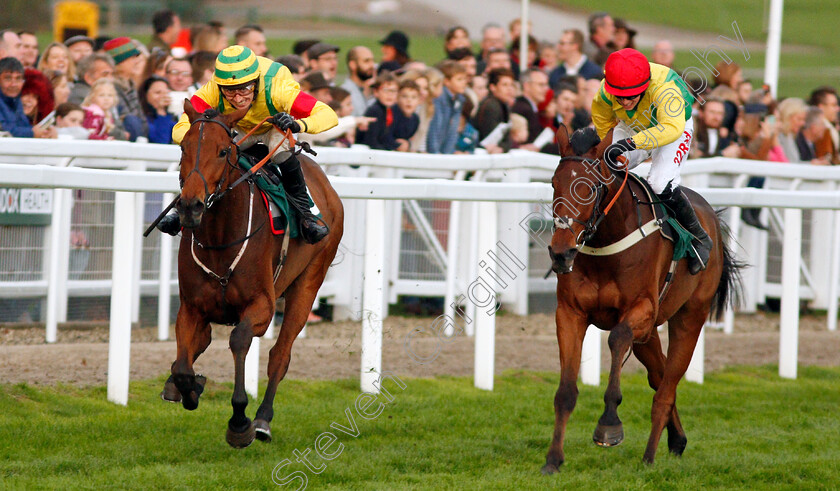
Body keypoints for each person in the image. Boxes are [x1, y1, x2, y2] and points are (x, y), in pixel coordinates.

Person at [163, 45, 338, 243]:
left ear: (256, 81)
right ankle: (183, 207)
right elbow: (180, 128)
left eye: (244, 89)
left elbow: (329, 115)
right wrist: (199, 140)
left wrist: (298, 125)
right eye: (229, 92)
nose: (238, 98)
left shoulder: (277, 88)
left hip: (273, 126)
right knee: (204, 152)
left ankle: (306, 215)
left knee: (280, 154)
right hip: (240, 128)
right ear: (220, 86)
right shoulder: (213, 88)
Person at [591, 48, 711, 274]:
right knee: (605, 166)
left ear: (644, 87)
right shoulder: (605, 93)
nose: (624, 101)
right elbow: (602, 122)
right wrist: (610, 147)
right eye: (620, 96)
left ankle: (699, 237)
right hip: (635, 125)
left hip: (674, 127)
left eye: (631, 95)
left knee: (659, 183)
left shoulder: (666, 90)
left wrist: (629, 144)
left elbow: (670, 129)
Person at [0, 57, 54, 138]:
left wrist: (46, 132)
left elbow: (23, 126)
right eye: (8, 78)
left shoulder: (16, 101)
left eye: (18, 79)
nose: (13, 84)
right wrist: (32, 133)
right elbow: (5, 130)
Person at [427, 60, 466, 154]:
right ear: (447, 81)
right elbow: (434, 128)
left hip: (443, 153)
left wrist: (448, 154)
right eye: (459, 79)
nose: (464, 83)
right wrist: (436, 153)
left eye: (465, 79)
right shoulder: (439, 99)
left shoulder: (458, 100)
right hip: (433, 153)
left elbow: (452, 132)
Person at [356, 71, 401, 151]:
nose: (389, 95)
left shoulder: (390, 111)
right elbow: (371, 141)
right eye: (385, 90)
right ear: (376, 92)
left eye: (393, 91)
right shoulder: (375, 111)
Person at [139, 75, 176, 144]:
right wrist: (160, 110)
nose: (163, 96)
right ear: (145, 95)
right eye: (158, 93)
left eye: (166, 93)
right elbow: (161, 141)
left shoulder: (171, 118)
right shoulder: (140, 119)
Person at [340, 46, 375, 117]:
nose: (372, 65)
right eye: (366, 61)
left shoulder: (366, 89)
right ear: (353, 65)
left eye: (372, 61)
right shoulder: (346, 93)